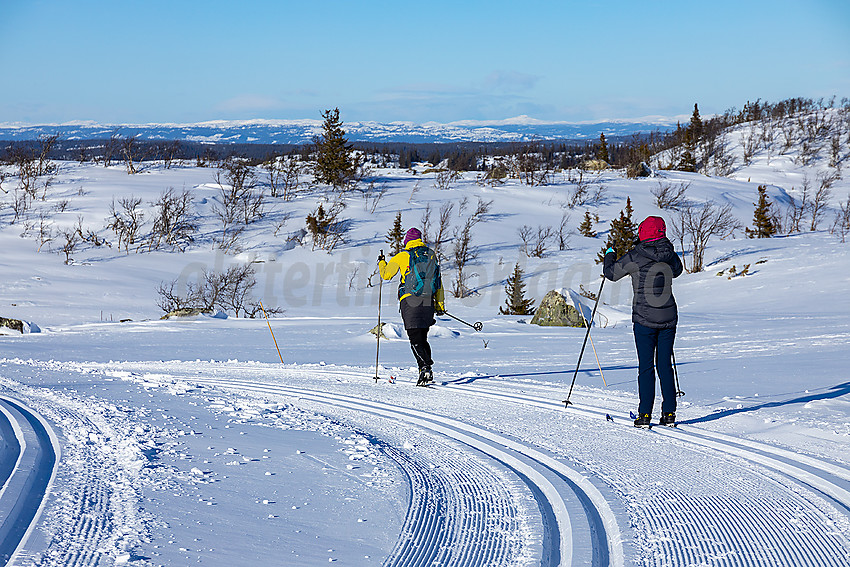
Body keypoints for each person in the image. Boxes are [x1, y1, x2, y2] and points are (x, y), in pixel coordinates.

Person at [603, 216, 683, 427]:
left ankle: (644, 415)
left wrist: (610, 255)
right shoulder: (670, 253)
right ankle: (669, 413)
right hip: (668, 318)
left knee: (646, 366)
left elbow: (611, 274)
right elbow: (678, 271)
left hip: (644, 319)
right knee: (664, 365)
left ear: (642, 233)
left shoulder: (636, 256)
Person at [378, 228, 446, 385]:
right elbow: (439, 281)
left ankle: (425, 368)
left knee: (415, 337)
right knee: (422, 336)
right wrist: (440, 305)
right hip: (428, 301)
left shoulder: (403, 255)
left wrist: (382, 262)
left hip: (410, 301)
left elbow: (386, 275)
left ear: (407, 240)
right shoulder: (431, 255)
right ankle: (426, 368)